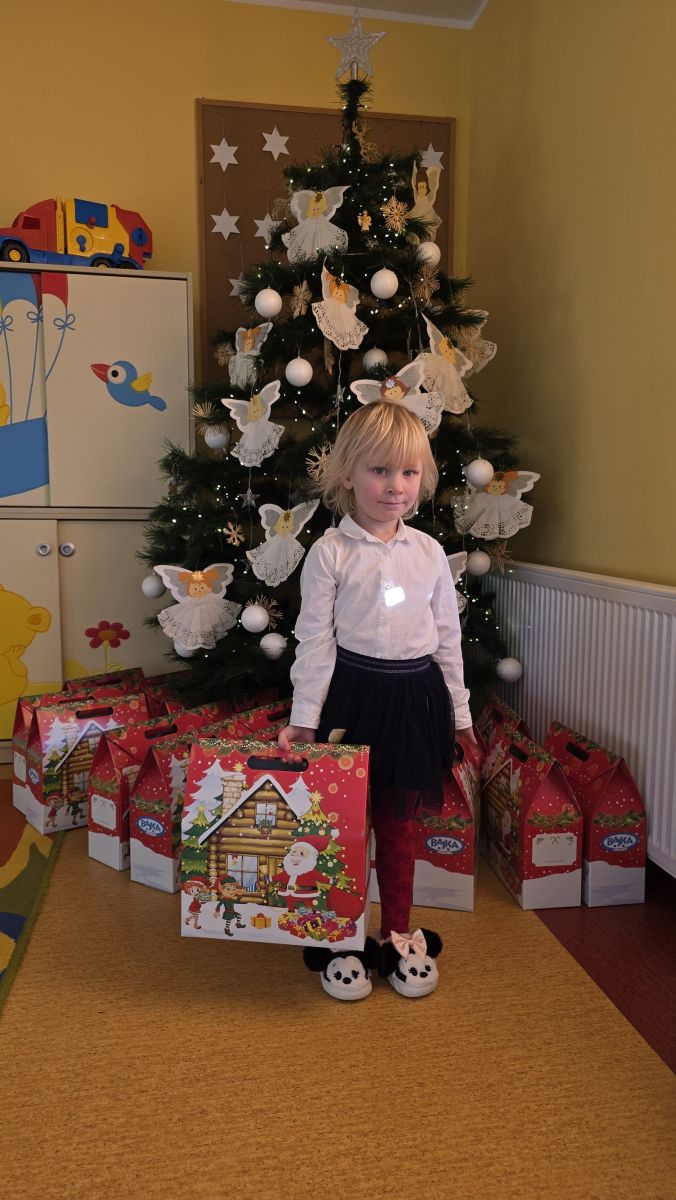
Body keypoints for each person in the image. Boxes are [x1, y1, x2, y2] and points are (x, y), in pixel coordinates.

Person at [278, 401, 477, 1001]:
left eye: (409, 473)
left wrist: (460, 716)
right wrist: (305, 719)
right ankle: (343, 939)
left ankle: (397, 935)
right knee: (344, 825)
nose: (396, 487)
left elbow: (447, 639)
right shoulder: (330, 553)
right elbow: (315, 641)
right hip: (352, 700)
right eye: (380, 471)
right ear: (348, 474)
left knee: (398, 823)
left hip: (416, 701)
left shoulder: (429, 553)